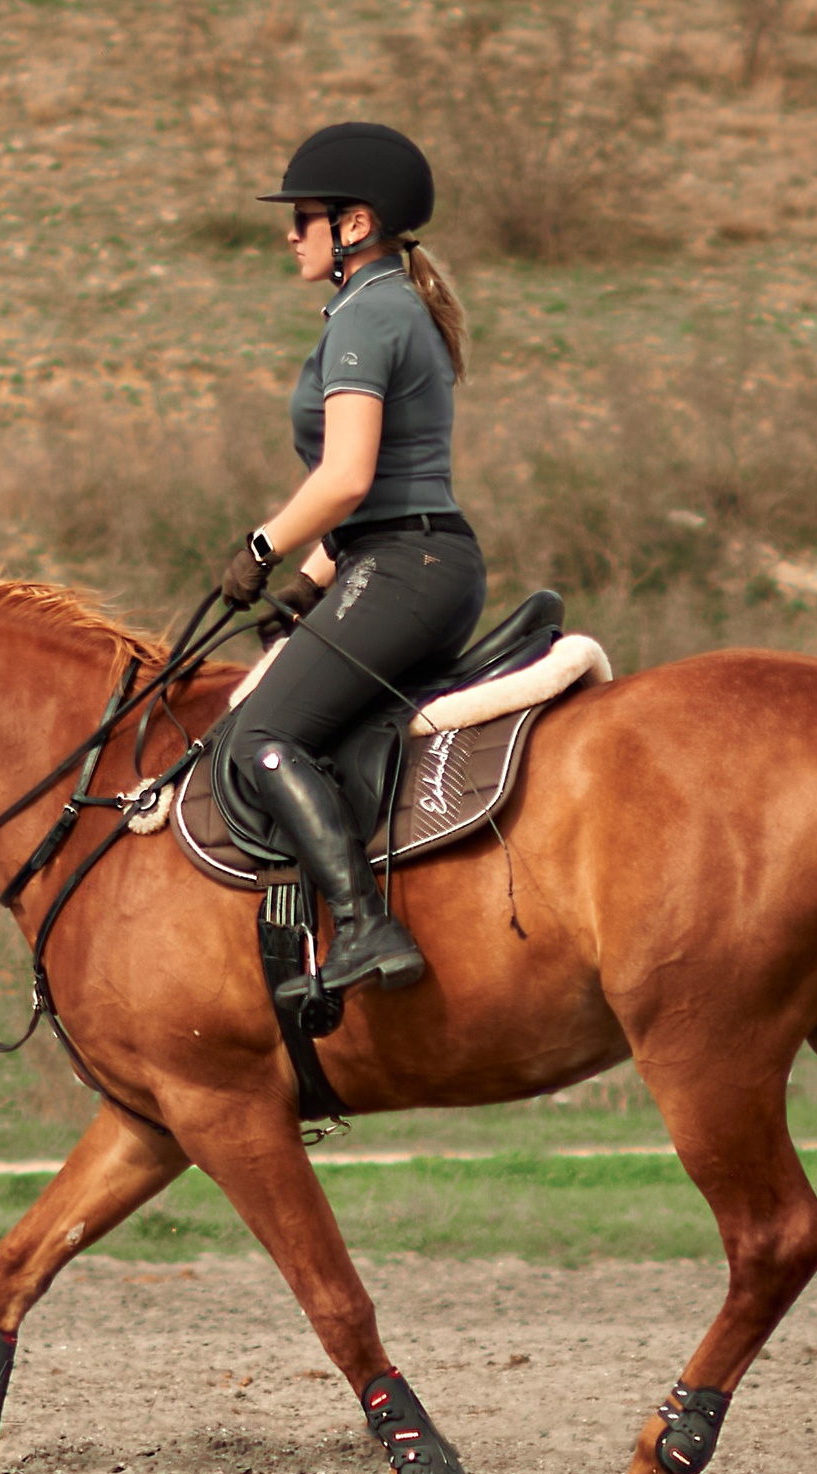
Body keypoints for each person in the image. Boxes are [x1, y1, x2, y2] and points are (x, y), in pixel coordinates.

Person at [218, 121, 482, 1004]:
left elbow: (346, 480)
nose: (290, 233)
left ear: (355, 224)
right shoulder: (389, 305)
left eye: (305, 217)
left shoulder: (368, 315)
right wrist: (308, 583)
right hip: (406, 559)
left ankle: (367, 927)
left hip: (406, 566)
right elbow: (384, 494)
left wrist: (263, 548)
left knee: (260, 735)